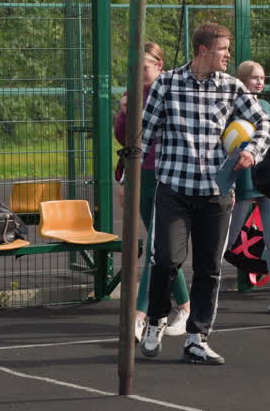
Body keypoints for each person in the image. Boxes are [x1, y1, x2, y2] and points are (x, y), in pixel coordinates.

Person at [137, 22, 270, 365]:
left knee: (209, 269)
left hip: (215, 194)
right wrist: (127, 168)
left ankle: (197, 338)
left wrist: (252, 152)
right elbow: (144, 133)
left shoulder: (232, 87)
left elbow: (265, 123)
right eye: (223, 49)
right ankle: (155, 320)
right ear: (203, 50)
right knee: (166, 260)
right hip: (174, 190)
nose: (228, 55)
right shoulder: (167, 84)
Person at [113, 42, 191, 341]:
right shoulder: (133, 95)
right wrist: (123, 112)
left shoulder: (172, 91)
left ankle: (139, 316)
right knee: (160, 249)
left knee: (158, 246)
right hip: (142, 176)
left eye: (143, 67)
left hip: (168, 175)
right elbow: (125, 140)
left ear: (159, 65)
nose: (137, 73)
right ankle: (184, 307)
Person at [224, 60, 270, 313]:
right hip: (241, 181)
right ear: (241, 80)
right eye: (254, 78)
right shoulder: (231, 108)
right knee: (226, 242)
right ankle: (206, 293)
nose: (260, 82)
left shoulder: (265, 108)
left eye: (262, 78)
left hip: (266, 182)